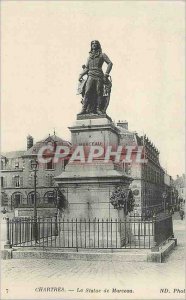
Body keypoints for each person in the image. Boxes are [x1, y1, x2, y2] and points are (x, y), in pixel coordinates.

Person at [78, 40, 113, 115]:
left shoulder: (102, 55)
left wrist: (106, 74)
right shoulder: (89, 57)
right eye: (92, 44)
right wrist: (81, 75)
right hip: (91, 75)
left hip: (99, 76)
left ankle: (98, 109)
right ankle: (84, 109)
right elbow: (87, 68)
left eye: (95, 44)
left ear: (98, 45)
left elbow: (110, 63)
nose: (94, 45)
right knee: (87, 92)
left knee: (99, 92)